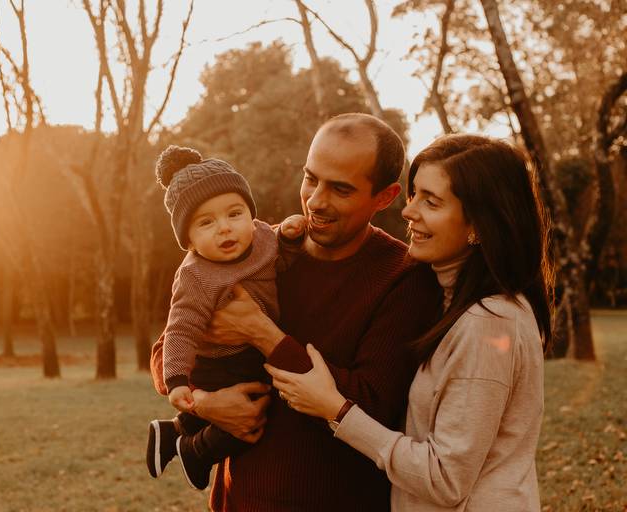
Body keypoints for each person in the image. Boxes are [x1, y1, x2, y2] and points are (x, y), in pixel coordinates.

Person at [150, 113, 443, 511]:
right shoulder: (258, 251)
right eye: (311, 178)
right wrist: (204, 402)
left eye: (340, 189)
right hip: (240, 499)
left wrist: (261, 333)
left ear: (385, 197)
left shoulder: (403, 279)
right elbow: (166, 349)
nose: (316, 201)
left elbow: (372, 404)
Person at [267, 134, 553, 511]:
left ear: (479, 226)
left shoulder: (490, 324)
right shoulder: (448, 302)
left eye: (431, 202)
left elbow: (445, 479)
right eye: (414, 194)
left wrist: (336, 410)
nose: (409, 211)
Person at [146, 145, 305, 491]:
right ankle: (195, 452)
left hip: (251, 351)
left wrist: (290, 237)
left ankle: (171, 431)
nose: (225, 229)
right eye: (206, 222)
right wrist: (176, 380)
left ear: (250, 214)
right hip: (218, 362)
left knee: (261, 401)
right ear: (188, 239)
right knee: (257, 411)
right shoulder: (195, 275)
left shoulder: (263, 237)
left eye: (235, 214)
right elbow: (180, 329)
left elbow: (279, 252)